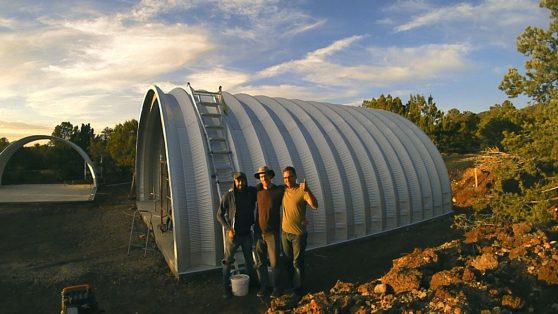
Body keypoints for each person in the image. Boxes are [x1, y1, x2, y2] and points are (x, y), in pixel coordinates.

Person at [216, 171, 257, 299]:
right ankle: (225, 288)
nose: (240, 183)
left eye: (242, 180)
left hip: (246, 234)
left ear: (245, 180)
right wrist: (228, 228)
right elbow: (219, 214)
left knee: (249, 261)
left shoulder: (251, 192)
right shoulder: (229, 195)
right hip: (233, 236)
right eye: (237, 181)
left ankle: (253, 284)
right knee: (227, 262)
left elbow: (261, 189)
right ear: (234, 181)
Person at [281, 166, 318, 297]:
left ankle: (298, 288)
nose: (288, 180)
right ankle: (292, 285)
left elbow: (315, 205)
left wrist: (308, 190)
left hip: (298, 234)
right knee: (287, 260)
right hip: (285, 233)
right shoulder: (283, 190)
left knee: (297, 262)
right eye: (285, 177)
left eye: (290, 176)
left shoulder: (302, 191)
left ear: (295, 176)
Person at [253, 165, 284, 298]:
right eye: (261, 176)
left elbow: (293, 200)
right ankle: (264, 287)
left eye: (265, 175)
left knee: (275, 262)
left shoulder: (278, 191)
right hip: (258, 233)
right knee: (260, 262)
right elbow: (242, 193)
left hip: (272, 233)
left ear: (271, 176)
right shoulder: (257, 191)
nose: (263, 178)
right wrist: (232, 190)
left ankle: (277, 288)